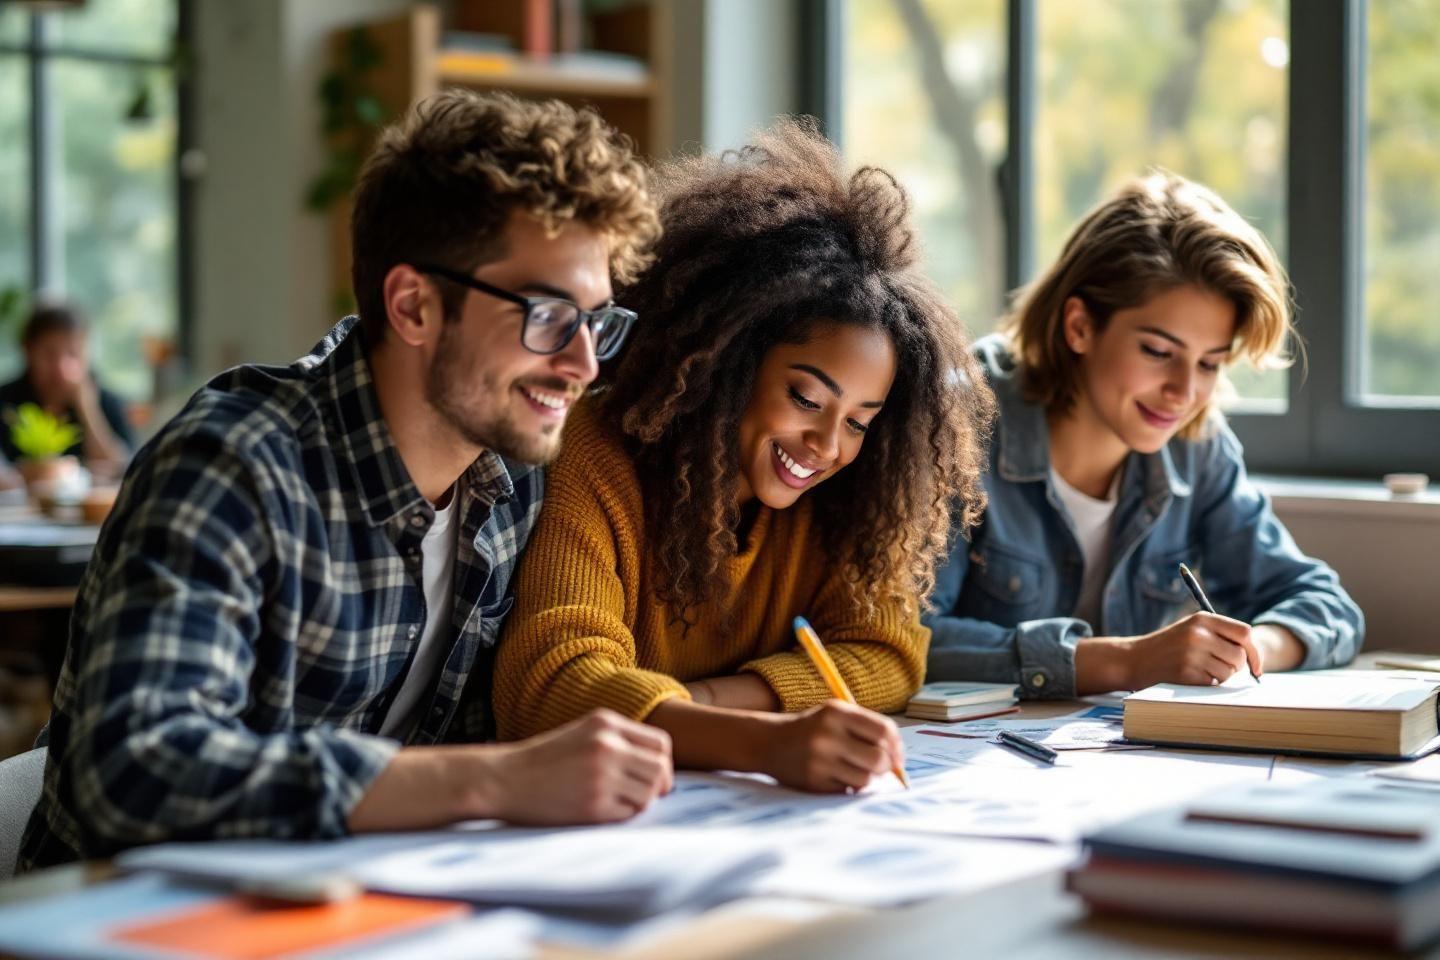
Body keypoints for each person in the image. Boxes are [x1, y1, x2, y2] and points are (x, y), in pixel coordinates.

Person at [19, 90, 672, 872]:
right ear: (413, 305)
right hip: (127, 927)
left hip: (360, 910)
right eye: (549, 317)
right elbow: (130, 773)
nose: (582, 365)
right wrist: (498, 780)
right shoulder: (234, 466)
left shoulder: (511, 476)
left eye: (597, 322)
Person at [493, 121, 995, 793]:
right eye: (806, 397)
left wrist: (711, 703)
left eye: (859, 424)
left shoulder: (840, 501)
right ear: (727, 360)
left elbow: (887, 655)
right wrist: (764, 739)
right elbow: (552, 682)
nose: (826, 446)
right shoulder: (597, 451)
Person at [924, 171, 1363, 699]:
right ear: (1080, 326)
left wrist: (1248, 649)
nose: (1183, 392)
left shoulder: (1198, 444)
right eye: (1158, 352)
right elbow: (907, 637)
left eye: (1210, 363)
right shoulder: (957, 419)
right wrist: (1129, 660)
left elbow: (1326, 605)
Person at [0, 302, 135, 477]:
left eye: (73, 354)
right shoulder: (5, 402)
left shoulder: (107, 402)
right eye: (49, 354)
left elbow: (124, 471)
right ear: (28, 351)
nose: (61, 369)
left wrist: (88, 410)